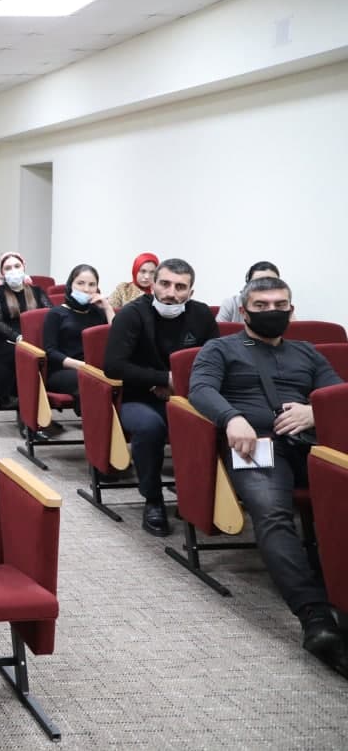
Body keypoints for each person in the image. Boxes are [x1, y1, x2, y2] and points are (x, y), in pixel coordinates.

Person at [188, 276, 345, 678]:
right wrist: (231, 417)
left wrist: (314, 412)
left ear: (291, 310)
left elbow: (337, 394)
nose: (271, 312)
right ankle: (315, 618)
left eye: (280, 305)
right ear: (244, 311)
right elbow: (200, 390)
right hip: (253, 444)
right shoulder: (219, 348)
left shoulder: (306, 353)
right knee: (273, 516)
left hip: (310, 442)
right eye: (261, 306)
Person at [105, 258, 219, 536]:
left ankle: (194, 497)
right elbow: (114, 366)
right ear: (153, 285)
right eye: (165, 284)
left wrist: (179, 386)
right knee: (150, 427)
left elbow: (215, 361)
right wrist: (162, 379)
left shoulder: (201, 315)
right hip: (137, 397)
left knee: (216, 423)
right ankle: (153, 498)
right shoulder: (132, 314)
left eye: (180, 287)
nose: (171, 293)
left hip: (186, 396)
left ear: (190, 292)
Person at [0, 252, 53, 412]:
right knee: (16, 353)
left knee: (50, 353)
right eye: (8, 268)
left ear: (24, 267)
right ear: (2, 272)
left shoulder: (37, 291)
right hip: (8, 340)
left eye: (17, 266)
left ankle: (41, 403)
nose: (13, 271)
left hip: (34, 338)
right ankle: (14, 398)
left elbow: (51, 314)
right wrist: (18, 337)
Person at [42, 263, 114, 410]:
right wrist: (82, 366)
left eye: (92, 285)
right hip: (63, 370)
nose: (86, 289)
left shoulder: (98, 312)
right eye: (80, 283)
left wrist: (107, 308)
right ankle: (95, 422)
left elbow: (117, 337)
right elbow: (50, 352)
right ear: (70, 285)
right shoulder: (56, 314)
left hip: (94, 370)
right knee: (92, 381)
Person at [217, 261, 283, 323]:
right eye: (258, 283)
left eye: (272, 282)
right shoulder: (231, 304)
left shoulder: (284, 306)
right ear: (248, 285)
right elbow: (219, 330)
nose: (266, 288)